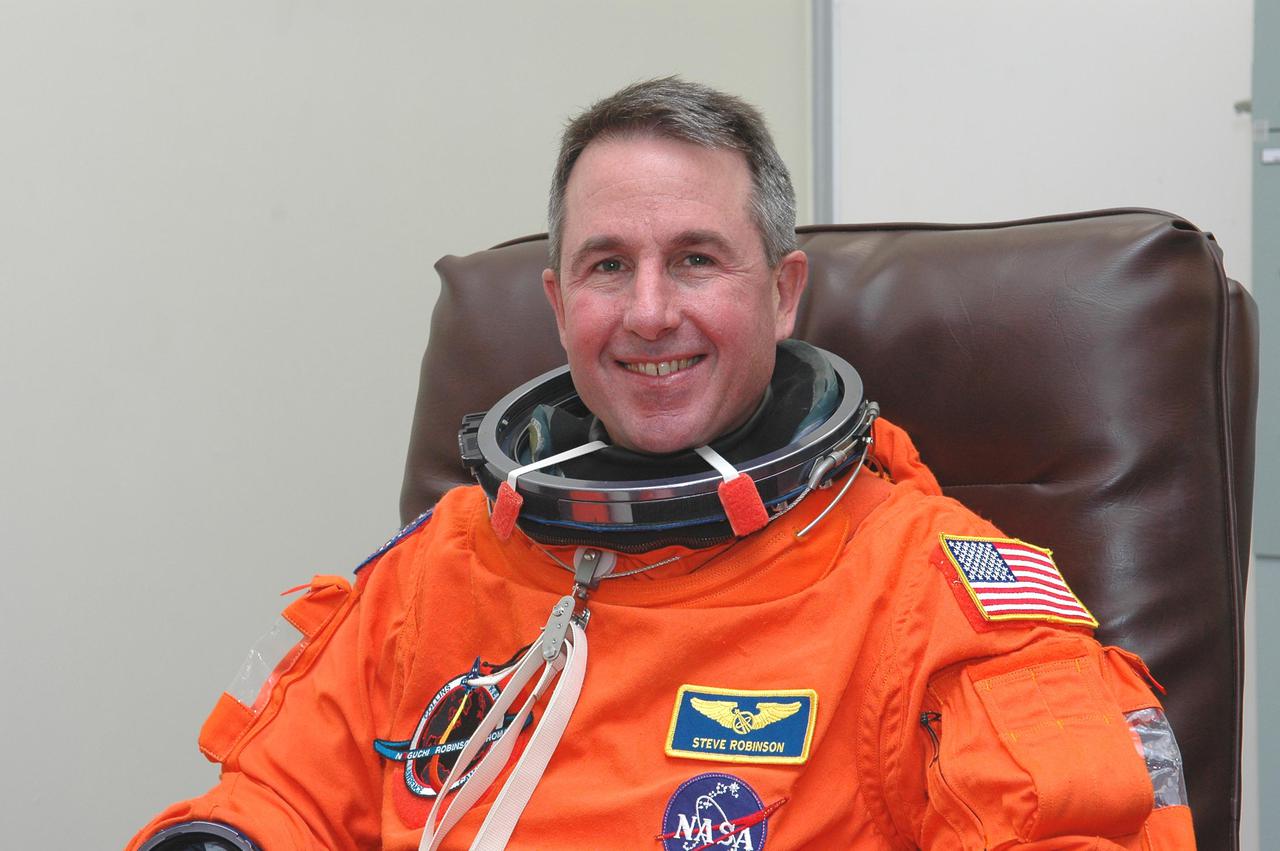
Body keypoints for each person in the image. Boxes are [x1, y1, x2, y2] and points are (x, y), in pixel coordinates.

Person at [130, 78, 1195, 850]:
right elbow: (275, 801)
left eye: (694, 259)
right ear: (558, 307)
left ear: (782, 293)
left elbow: (1076, 825)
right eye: (608, 265)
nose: (648, 312)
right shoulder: (438, 568)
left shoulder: (930, 593)